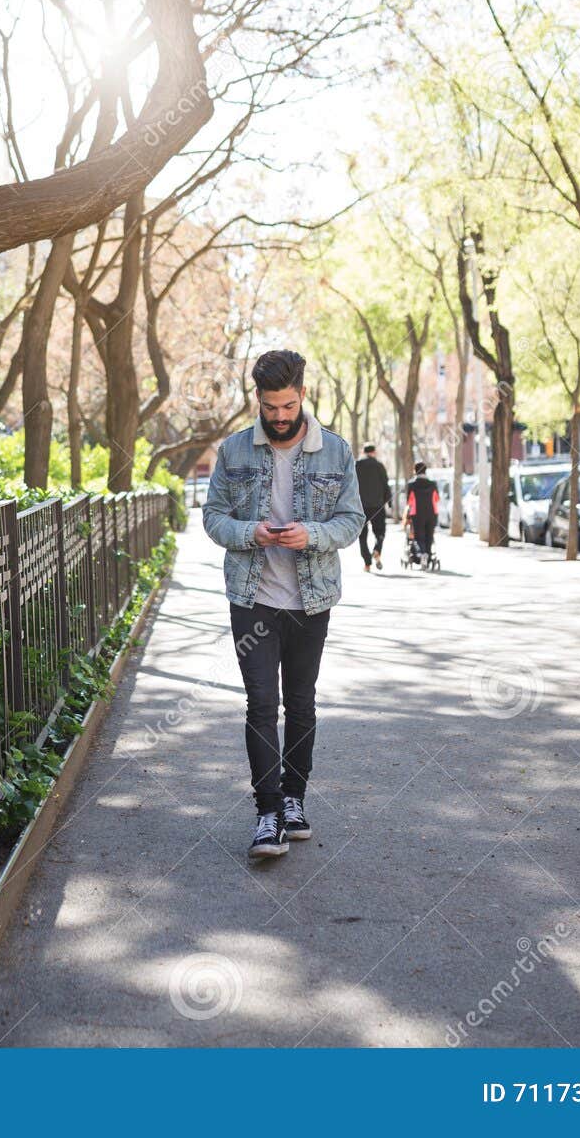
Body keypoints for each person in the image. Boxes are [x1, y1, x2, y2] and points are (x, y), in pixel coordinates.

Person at [202, 350, 365, 859]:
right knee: (261, 703)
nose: (279, 416)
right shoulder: (233, 450)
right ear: (258, 399)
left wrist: (311, 534)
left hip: (311, 599)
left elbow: (352, 520)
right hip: (252, 596)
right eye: (271, 407)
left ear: (303, 396)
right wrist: (248, 532)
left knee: (300, 702)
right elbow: (213, 517)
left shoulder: (335, 452)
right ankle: (267, 813)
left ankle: (295, 800)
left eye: (288, 406)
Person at [355, 445, 391, 572]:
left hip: (361, 506)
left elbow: (350, 485)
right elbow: (385, 484)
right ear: (374, 452)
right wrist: (389, 502)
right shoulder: (379, 466)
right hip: (378, 506)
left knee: (362, 535)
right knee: (380, 532)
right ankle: (377, 549)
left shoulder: (357, 465)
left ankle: (367, 563)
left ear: (363, 452)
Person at [405, 461, 439, 563]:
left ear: (415, 471)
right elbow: (437, 499)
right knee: (429, 535)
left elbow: (409, 501)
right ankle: (428, 555)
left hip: (417, 513)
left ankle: (422, 553)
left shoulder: (412, 485)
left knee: (419, 535)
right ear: (425, 470)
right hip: (432, 513)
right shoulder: (433, 484)